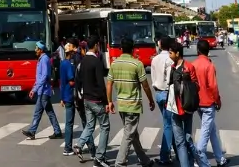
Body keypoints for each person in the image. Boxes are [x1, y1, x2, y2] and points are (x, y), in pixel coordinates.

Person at [106, 38, 155, 167]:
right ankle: (120, 163)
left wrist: (110, 101)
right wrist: (151, 100)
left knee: (132, 133)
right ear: (133, 49)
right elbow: (145, 85)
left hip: (121, 104)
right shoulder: (137, 64)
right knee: (129, 134)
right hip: (133, 105)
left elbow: (109, 84)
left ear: (121, 49)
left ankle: (144, 160)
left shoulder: (114, 64)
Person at [73, 36, 110, 167]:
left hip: (86, 99)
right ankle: (99, 157)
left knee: (89, 125)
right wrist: (106, 102)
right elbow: (101, 84)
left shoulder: (82, 62)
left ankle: (79, 144)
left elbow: (80, 81)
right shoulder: (96, 62)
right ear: (96, 45)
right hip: (97, 100)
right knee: (105, 127)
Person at [193, 39, 228, 167]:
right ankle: (199, 156)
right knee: (206, 132)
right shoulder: (209, 65)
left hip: (198, 103)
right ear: (208, 51)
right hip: (208, 104)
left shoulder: (193, 64)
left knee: (211, 130)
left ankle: (220, 158)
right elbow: (213, 86)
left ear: (197, 50)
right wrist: (218, 101)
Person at [21, 41, 62, 141]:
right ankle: (33, 131)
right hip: (41, 91)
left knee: (48, 112)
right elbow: (39, 78)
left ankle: (56, 131)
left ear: (40, 50)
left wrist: (34, 89)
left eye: (36, 48)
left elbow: (44, 77)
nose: (35, 50)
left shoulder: (44, 59)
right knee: (39, 112)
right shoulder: (41, 59)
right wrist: (34, 89)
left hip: (44, 91)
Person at [168, 40, 199, 167]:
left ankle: (196, 160)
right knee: (182, 140)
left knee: (185, 139)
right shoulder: (173, 67)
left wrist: (185, 85)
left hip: (185, 108)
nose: (169, 55)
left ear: (177, 53)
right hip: (176, 108)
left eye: (171, 53)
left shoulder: (188, 67)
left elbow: (196, 86)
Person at [151, 36, 176, 165]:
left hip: (158, 93)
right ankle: (165, 157)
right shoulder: (170, 60)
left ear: (160, 45)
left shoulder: (155, 59)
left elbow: (153, 77)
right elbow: (170, 80)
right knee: (169, 125)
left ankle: (175, 152)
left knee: (168, 123)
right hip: (167, 94)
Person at [60, 42, 77, 156]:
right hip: (70, 95)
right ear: (70, 53)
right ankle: (67, 147)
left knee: (68, 123)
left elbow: (62, 81)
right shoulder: (69, 65)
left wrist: (61, 98)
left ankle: (68, 147)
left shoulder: (62, 63)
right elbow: (71, 81)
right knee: (69, 123)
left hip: (65, 95)